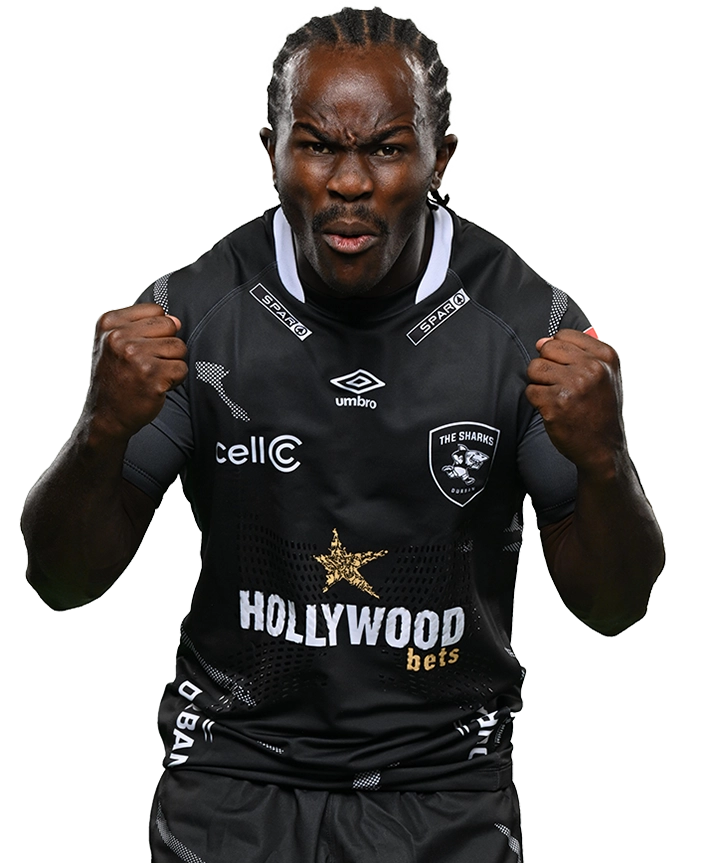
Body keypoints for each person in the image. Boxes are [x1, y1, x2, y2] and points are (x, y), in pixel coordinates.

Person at [21, 7, 665, 861]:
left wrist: (605, 462)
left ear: (441, 157)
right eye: (318, 146)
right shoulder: (194, 315)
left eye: (388, 149)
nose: (350, 183)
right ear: (272, 151)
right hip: (234, 772)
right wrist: (101, 432)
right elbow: (60, 580)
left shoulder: (527, 327)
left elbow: (616, 607)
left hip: (440, 783)